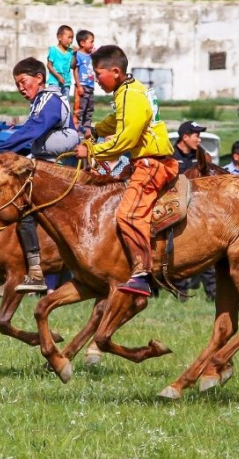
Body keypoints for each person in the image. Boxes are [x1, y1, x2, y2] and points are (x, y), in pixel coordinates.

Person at [74, 45, 177, 297]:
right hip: (145, 161)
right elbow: (119, 122)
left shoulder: (130, 96)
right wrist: (97, 130)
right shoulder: (128, 91)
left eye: (98, 74)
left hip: (151, 163)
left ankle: (142, 274)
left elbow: (126, 140)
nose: (95, 80)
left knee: (128, 215)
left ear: (116, 71)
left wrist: (93, 151)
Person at [0, 57, 79, 292]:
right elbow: (30, 139)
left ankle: (38, 270)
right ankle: (33, 269)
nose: (20, 88)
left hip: (60, 171)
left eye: (23, 81)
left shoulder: (48, 99)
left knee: (23, 204)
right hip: (50, 168)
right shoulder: (40, 102)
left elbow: (32, 131)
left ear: (39, 78)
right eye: (17, 83)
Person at [46, 25, 80, 99]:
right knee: (54, 102)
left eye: (72, 38)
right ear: (59, 37)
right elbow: (49, 65)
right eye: (69, 37)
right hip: (54, 82)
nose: (70, 41)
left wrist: (74, 54)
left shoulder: (70, 51)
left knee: (65, 103)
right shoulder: (53, 50)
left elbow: (72, 66)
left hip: (66, 83)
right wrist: (58, 76)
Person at [74, 29, 97, 132]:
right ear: (82, 43)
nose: (93, 44)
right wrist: (78, 86)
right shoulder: (78, 55)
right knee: (79, 110)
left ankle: (87, 130)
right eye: (91, 41)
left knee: (89, 110)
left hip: (90, 86)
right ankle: (76, 131)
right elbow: (75, 70)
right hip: (82, 87)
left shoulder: (91, 56)